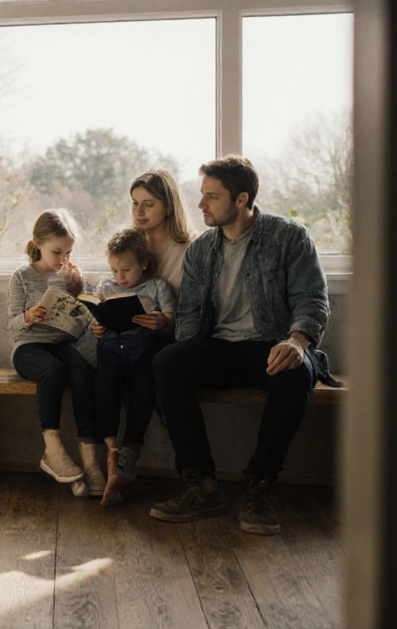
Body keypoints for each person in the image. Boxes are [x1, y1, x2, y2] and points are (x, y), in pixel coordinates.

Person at [150, 156, 333, 535]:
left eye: (211, 197)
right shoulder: (201, 250)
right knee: (168, 362)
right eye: (202, 195)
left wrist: (298, 342)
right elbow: (188, 314)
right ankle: (202, 483)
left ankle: (260, 484)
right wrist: (185, 347)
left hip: (275, 344)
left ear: (241, 199)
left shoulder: (289, 237)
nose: (201, 204)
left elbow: (312, 298)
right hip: (220, 347)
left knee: (295, 373)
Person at [7, 209, 100, 495]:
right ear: (37, 243)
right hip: (28, 348)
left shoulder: (67, 275)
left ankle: (90, 461)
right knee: (54, 370)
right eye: (57, 251)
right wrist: (29, 316)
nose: (63, 259)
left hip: (62, 344)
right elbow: (11, 324)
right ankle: (53, 450)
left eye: (69, 252)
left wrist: (77, 290)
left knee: (83, 370)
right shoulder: (22, 276)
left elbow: (74, 311)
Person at [88, 229, 176, 506]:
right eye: (114, 270)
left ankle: (129, 450)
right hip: (112, 348)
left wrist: (161, 321)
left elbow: (172, 319)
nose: (120, 277)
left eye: (126, 269)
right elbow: (96, 322)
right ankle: (112, 449)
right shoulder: (106, 287)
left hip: (143, 347)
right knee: (104, 387)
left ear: (144, 264)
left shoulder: (158, 287)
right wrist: (97, 327)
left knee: (144, 390)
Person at [130, 169, 194, 294]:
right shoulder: (129, 246)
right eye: (135, 203)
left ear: (168, 207)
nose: (139, 211)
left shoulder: (188, 252)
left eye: (148, 205)